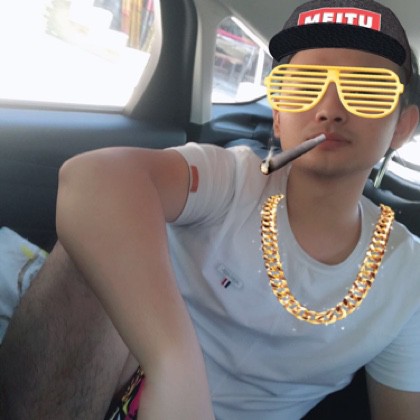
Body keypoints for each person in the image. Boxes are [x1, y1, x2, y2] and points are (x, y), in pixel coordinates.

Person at [1, 0, 420, 418]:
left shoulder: (408, 278)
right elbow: (92, 180)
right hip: (116, 389)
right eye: (304, 85)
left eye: (367, 90)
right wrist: (173, 363)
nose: (329, 109)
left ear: (402, 127)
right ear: (278, 114)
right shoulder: (233, 179)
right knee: (94, 245)